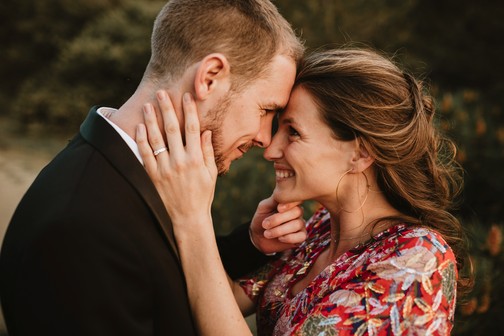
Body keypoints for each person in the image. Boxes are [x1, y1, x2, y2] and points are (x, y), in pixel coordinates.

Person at [0, 1, 307, 335]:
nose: (265, 138)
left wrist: (249, 244)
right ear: (209, 78)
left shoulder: (125, 173)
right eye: (266, 110)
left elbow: (154, 277)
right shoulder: (78, 226)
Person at [136, 48, 472, 335]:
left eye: (293, 132)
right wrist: (252, 242)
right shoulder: (317, 230)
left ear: (360, 153)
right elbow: (212, 304)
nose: (270, 149)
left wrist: (193, 219)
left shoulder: (415, 258)